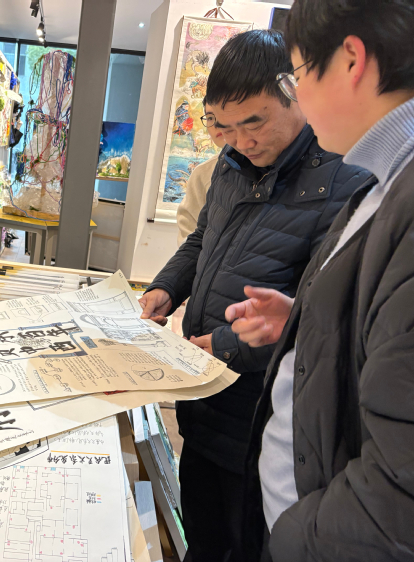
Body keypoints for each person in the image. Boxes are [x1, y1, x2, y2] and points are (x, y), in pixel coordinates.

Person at [138, 29, 371, 562]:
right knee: (202, 536)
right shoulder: (230, 165)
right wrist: (166, 287)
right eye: (223, 125)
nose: (241, 140)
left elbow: (322, 314)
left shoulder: (344, 179)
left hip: (264, 417)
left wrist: (224, 346)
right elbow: (202, 238)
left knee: (245, 543)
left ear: (295, 94)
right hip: (204, 395)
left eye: (255, 122)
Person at [224, 2, 414, 560]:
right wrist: (308, 323)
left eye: (298, 75)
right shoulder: (383, 181)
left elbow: (398, 494)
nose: (298, 96)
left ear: (352, 60)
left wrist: (292, 536)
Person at [176, 103, 227, 245]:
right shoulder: (202, 174)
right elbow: (189, 236)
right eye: (210, 117)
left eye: (224, 113)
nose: (217, 124)